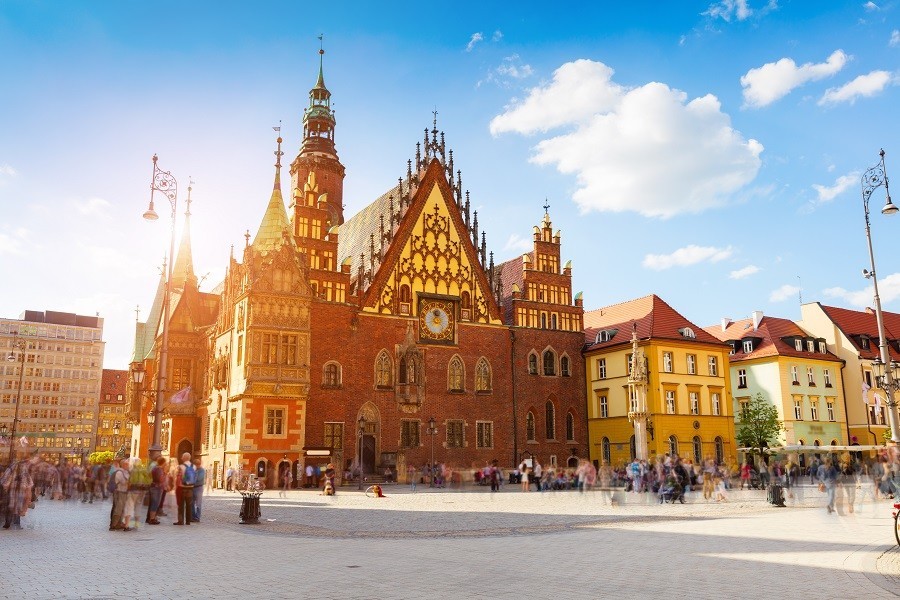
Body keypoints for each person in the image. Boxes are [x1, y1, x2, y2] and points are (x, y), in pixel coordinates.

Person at [2, 454, 34, 530]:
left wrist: (5, 486)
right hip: (21, 490)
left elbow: (5, 478)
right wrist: (27, 487)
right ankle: (17, 523)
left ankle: (8, 522)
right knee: (18, 506)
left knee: (10, 506)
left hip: (12, 489)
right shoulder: (24, 468)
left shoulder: (10, 468)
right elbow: (29, 481)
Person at [174, 452, 196, 526]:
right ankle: (188, 521)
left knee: (181, 505)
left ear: (184, 458)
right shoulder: (194, 466)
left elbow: (178, 478)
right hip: (191, 488)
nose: (181, 458)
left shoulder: (181, 466)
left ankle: (180, 521)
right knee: (189, 505)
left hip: (182, 487)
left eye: (182, 457)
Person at [109, 458, 131, 531]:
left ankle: (118, 524)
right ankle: (113, 525)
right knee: (118, 509)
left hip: (124, 492)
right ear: (123, 465)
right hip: (119, 492)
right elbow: (124, 482)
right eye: (127, 464)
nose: (128, 465)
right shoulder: (119, 472)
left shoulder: (125, 472)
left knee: (121, 509)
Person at [146, 457, 166, 525]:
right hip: (157, 487)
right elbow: (160, 479)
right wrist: (164, 476)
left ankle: (152, 518)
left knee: (154, 503)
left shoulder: (155, 468)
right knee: (155, 503)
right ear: (163, 463)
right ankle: (152, 519)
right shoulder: (159, 469)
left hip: (153, 486)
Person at [192, 457, 206, 522]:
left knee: (198, 504)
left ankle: (197, 518)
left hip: (199, 488)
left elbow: (198, 479)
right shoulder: (193, 470)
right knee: (191, 503)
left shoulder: (202, 470)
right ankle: (193, 516)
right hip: (193, 488)